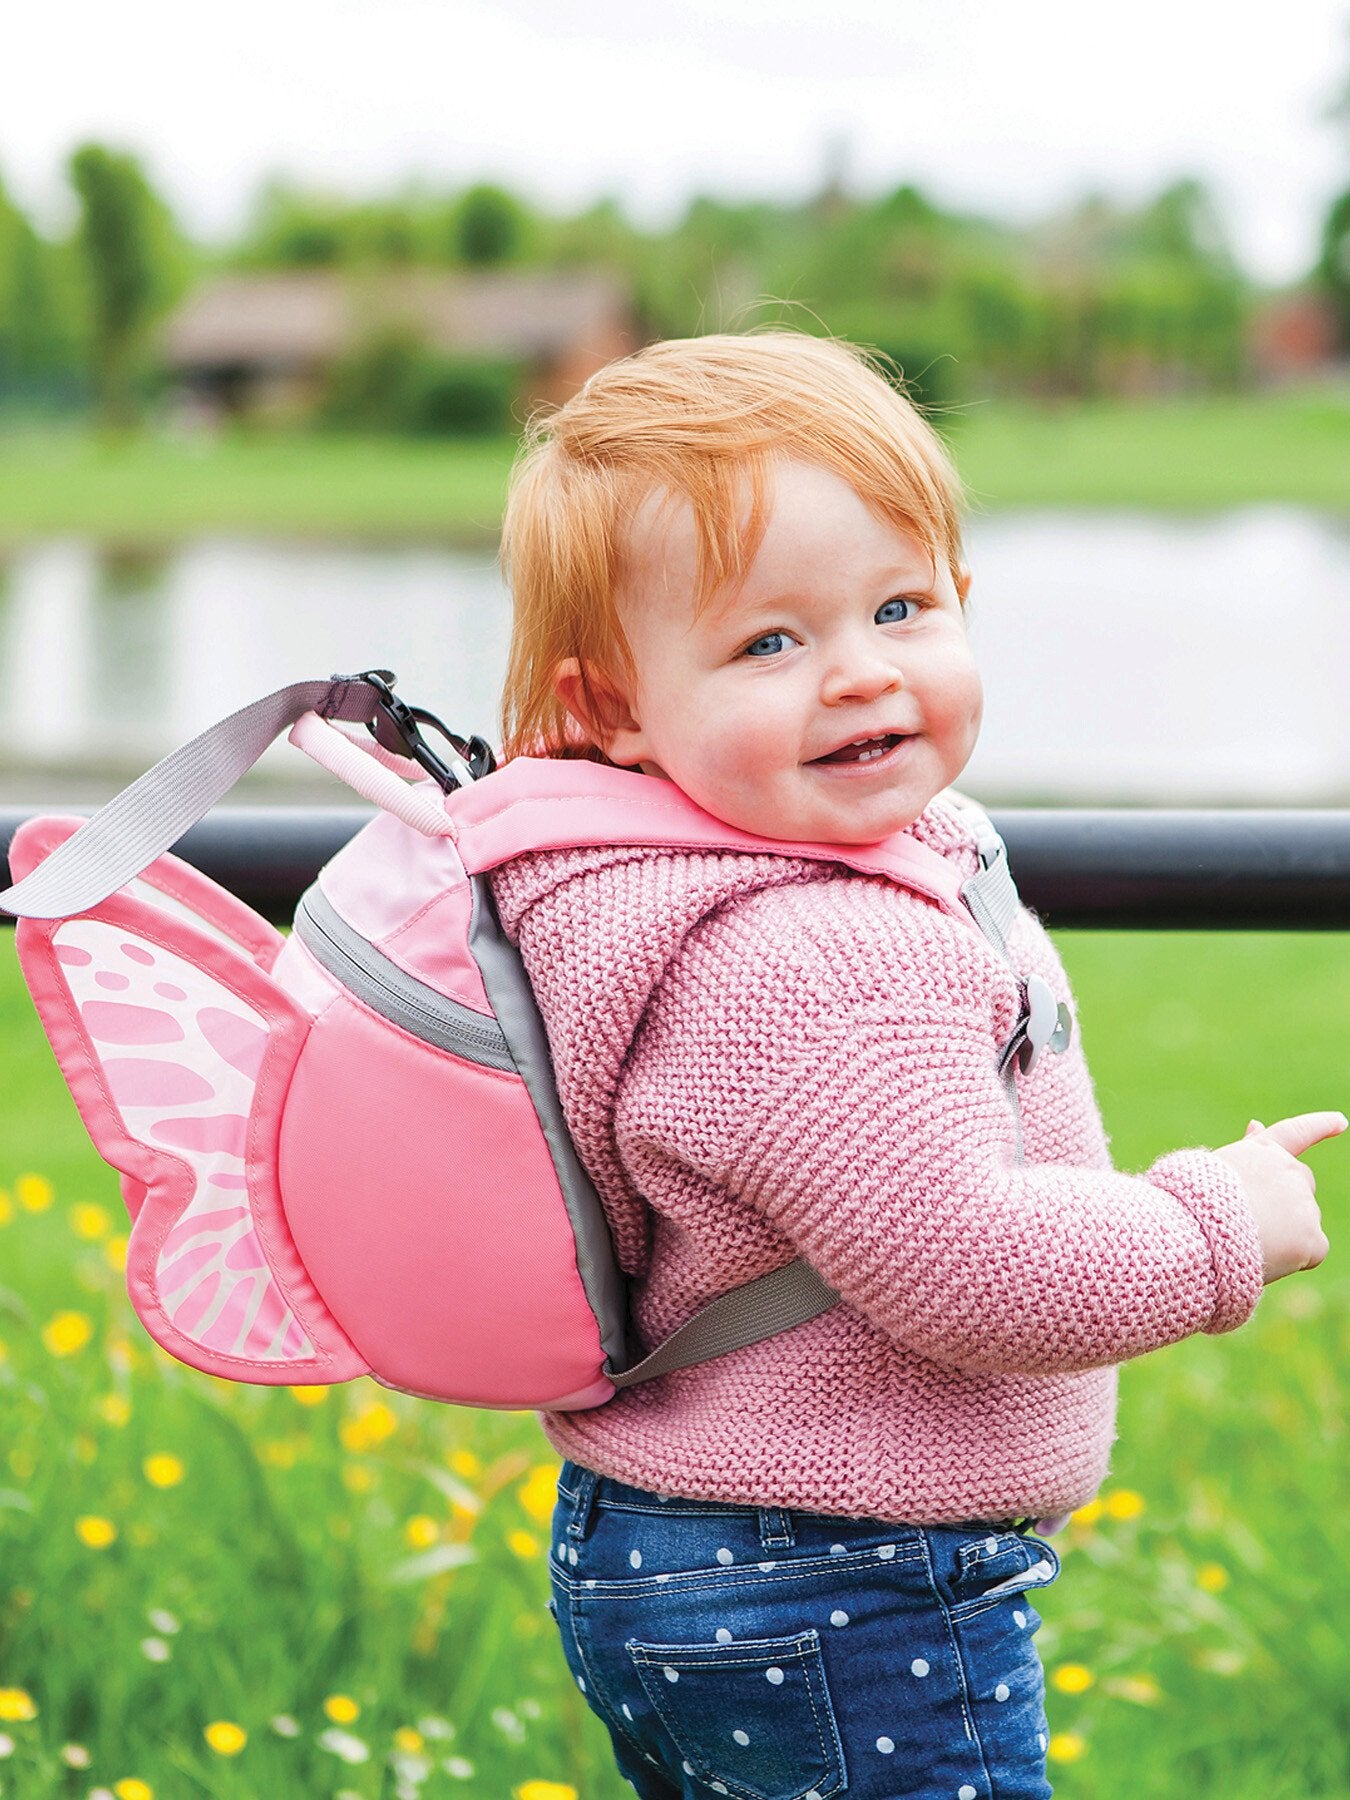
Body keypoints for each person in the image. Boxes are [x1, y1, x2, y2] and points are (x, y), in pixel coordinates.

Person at [488, 331, 1341, 1800]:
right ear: (613, 707)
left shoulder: (651, 877)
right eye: (770, 642)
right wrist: (1220, 1223)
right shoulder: (814, 953)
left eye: (900, 605)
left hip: (684, 1534)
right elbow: (963, 1265)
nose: (859, 674)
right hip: (840, 1578)